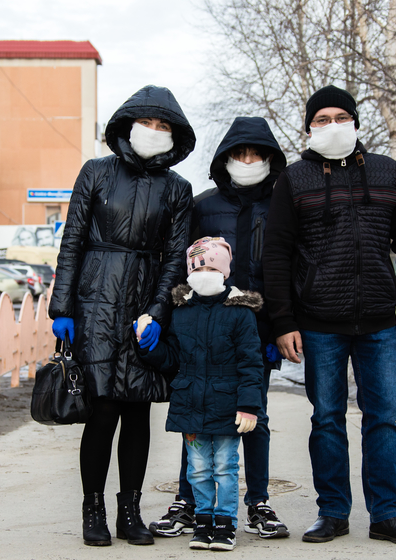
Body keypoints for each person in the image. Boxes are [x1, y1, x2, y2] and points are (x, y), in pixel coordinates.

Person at [262, 85, 396, 546]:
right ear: (309, 128)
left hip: (378, 319)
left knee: (383, 420)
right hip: (318, 322)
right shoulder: (294, 179)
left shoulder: (385, 171)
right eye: (322, 119)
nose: (332, 125)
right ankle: (333, 512)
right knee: (327, 419)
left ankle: (387, 514)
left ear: (355, 122)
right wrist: (283, 321)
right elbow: (275, 254)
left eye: (340, 116)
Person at [48, 85, 195, 547]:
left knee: (137, 411)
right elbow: (71, 241)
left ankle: (130, 511)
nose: (153, 132)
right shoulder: (95, 172)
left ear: (175, 136)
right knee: (104, 408)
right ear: (127, 126)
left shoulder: (178, 189)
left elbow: (175, 257)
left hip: (145, 304)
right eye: (147, 123)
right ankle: (93, 510)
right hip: (95, 302)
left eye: (163, 126)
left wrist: (157, 311)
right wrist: (62, 307)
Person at [149, 117, 289, 540]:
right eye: (239, 154)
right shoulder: (204, 205)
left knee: (254, 416)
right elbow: (184, 262)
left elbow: (287, 267)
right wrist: (175, 318)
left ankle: (258, 501)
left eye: (256, 154)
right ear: (225, 158)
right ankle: (187, 501)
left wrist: (279, 326)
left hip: (255, 329)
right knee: (198, 413)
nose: (247, 161)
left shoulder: (282, 204)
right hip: (203, 327)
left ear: (269, 159)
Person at [137, 237, 264, 551]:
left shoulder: (240, 312)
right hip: (190, 404)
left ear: (224, 271)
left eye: (210, 266)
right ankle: (203, 520)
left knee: (225, 466)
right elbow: (175, 358)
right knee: (198, 468)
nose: (204, 272)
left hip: (226, 404)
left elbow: (251, 363)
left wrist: (249, 405)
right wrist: (150, 347)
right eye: (198, 266)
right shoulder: (182, 311)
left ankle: (225, 523)